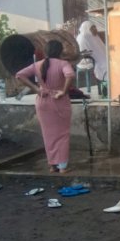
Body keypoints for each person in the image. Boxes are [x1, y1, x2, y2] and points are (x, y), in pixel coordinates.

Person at [16, 40, 75, 174]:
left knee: (48, 135)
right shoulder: (63, 63)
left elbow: (20, 75)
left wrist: (36, 89)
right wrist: (64, 91)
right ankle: (63, 166)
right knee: (62, 134)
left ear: (46, 51)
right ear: (60, 51)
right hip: (58, 100)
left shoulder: (38, 64)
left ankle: (52, 165)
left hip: (42, 100)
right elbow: (70, 75)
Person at [76, 21, 108, 91]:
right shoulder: (82, 37)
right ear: (87, 28)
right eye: (92, 28)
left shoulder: (94, 36)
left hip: (96, 57)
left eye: (94, 27)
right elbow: (82, 53)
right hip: (86, 60)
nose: (95, 29)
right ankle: (105, 84)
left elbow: (101, 49)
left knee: (110, 62)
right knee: (105, 64)